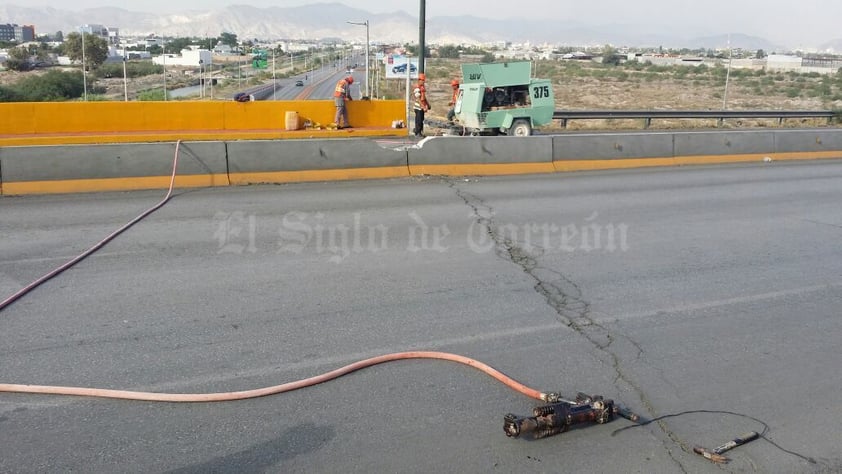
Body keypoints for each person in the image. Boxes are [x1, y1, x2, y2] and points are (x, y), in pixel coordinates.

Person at [413, 72, 430, 137]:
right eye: (422, 80)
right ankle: (417, 132)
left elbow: (424, 97)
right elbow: (418, 99)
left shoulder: (422, 87)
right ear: (419, 80)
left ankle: (419, 131)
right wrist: (423, 107)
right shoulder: (417, 88)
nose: (423, 82)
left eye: (424, 80)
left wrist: (428, 105)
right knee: (418, 121)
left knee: (421, 120)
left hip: (422, 107)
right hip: (418, 107)